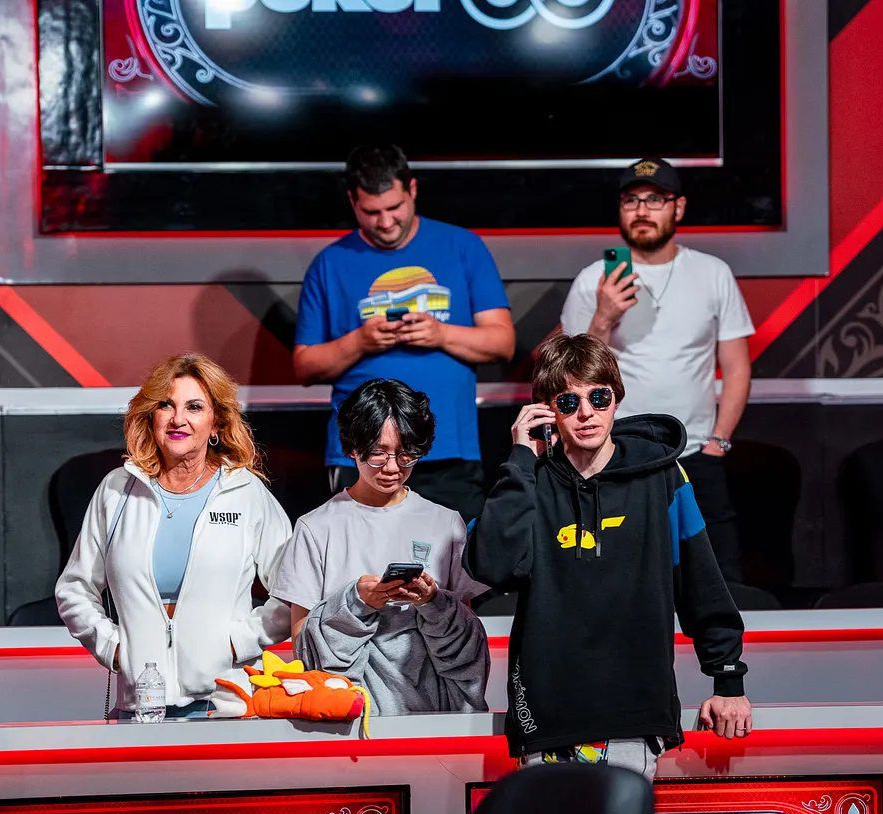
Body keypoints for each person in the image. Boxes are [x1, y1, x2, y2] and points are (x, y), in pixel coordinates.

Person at [464, 333, 752, 781]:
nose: (586, 413)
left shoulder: (661, 475)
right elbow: (491, 566)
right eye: (568, 402)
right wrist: (520, 458)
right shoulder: (528, 480)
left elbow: (700, 579)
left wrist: (727, 678)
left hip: (634, 713)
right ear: (547, 410)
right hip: (547, 716)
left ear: (616, 398)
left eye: (598, 397)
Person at [56, 353, 293, 717]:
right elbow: (74, 589)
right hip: (140, 707)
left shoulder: (245, 492)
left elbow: (295, 590)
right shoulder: (117, 490)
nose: (178, 418)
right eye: (166, 405)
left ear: (216, 424)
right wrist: (114, 649)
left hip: (226, 704)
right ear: (151, 416)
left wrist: (237, 645)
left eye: (194, 407)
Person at [293, 144, 515, 522]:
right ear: (353, 202)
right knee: (361, 556)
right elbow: (305, 366)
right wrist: (360, 341)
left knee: (457, 557)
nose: (385, 222)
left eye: (394, 208)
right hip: (362, 452)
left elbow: (503, 342)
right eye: (371, 212)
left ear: (412, 189)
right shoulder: (329, 263)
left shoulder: (463, 246)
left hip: (448, 450)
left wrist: (440, 334)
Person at [559, 156, 755, 583]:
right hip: (615, 456)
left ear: (678, 208)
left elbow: (737, 366)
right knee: (620, 576)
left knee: (718, 577)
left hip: (697, 453)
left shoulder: (712, 273)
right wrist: (604, 316)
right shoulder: (593, 280)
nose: (642, 210)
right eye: (631, 200)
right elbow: (572, 376)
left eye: (655, 199)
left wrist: (719, 442)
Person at [272, 379, 490, 716]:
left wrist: (432, 602)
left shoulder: (445, 523)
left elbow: (466, 642)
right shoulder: (316, 528)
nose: (392, 467)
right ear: (352, 448)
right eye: (377, 453)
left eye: (406, 454)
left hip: (432, 718)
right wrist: (356, 602)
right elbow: (303, 648)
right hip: (345, 718)